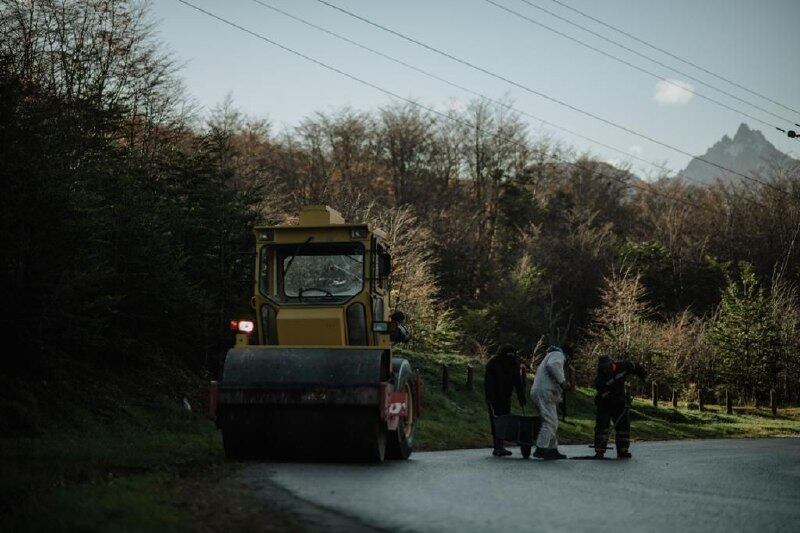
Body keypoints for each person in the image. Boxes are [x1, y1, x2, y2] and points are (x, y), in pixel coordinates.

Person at [594, 355, 645, 459]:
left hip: (619, 401)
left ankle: (623, 450)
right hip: (605, 403)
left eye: (606, 367)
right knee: (602, 425)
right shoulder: (600, 377)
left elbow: (635, 366)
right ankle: (600, 450)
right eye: (603, 367)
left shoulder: (622, 366)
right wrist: (608, 397)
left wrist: (642, 374)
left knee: (623, 427)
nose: (605, 369)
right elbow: (602, 390)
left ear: (611, 363)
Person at [484, 344, 527, 456]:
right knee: (497, 421)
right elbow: (488, 382)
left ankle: (500, 445)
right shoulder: (493, 364)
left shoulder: (513, 365)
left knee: (503, 421)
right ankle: (497, 446)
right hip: (495, 397)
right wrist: (489, 397)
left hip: (505, 397)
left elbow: (518, 383)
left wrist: (521, 397)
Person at [530, 346, 569, 460]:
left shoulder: (550, 356)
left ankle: (552, 449)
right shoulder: (558, 355)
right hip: (545, 392)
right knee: (550, 422)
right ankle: (541, 448)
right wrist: (562, 382)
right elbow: (553, 366)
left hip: (541, 391)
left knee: (552, 421)